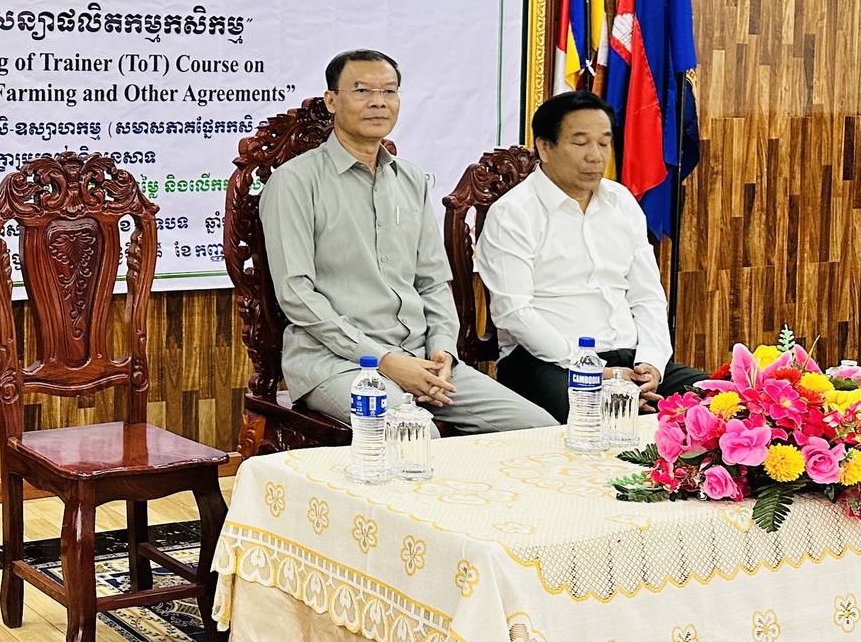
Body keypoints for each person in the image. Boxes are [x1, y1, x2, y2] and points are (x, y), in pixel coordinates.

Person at [259, 49, 554, 433]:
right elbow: (296, 294)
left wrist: (443, 349)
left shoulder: (411, 179)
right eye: (362, 90)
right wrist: (384, 361)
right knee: (414, 433)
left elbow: (432, 281)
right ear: (331, 100)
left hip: (421, 358)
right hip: (336, 364)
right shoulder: (294, 182)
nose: (378, 102)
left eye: (389, 91)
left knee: (538, 429)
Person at [475, 90, 705, 421]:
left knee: (723, 405)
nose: (595, 156)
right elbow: (515, 313)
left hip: (631, 362)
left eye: (604, 143)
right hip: (547, 363)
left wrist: (652, 363)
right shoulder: (513, 213)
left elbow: (647, 296)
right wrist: (594, 371)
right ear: (545, 147)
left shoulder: (621, 201)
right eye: (581, 143)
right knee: (603, 420)